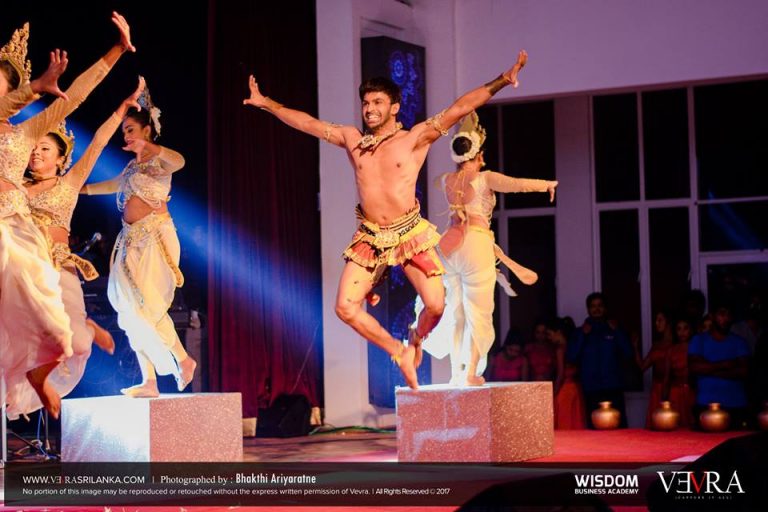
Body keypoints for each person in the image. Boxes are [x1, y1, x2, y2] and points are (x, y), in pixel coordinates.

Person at [244, 51, 530, 389]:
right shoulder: (353, 140)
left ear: (394, 107)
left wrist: (503, 80)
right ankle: (399, 351)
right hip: (370, 236)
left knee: (436, 306)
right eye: (366, 103)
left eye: (377, 102)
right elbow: (308, 124)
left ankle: (416, 338)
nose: (369, 109)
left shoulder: (414, 138)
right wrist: (266, 103)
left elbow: (460, 107)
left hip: (409, 233)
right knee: (345, 307)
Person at [0, 13, 134, 419]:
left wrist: (117, 51)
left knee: (52, 323)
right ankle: (35, 368)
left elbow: (75, 97)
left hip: (15, 229)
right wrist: (34, 88)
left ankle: (41, 368)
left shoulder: (25, 132)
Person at [23, 81, 147, 405]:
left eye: (45, 148)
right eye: (33, 147)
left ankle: (88, 328)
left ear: (61, 157)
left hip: (60, 268)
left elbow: (98, 143)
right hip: (26, 272)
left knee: (79, 345)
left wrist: (120, 111)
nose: (36, 152)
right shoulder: (15, 188)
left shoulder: (68, 183)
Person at [420, 112, 557, 385]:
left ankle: (455, 373)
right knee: (478, 311)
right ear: (478, 153)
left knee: (455, 311)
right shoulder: (484, 178)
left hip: (448, 247)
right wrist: (546, 185)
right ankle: (470, 371)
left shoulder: (445, 179)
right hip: (475, 243)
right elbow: (516, 185)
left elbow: (433, 181)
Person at [82, 79, 196, 398]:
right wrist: (78, 189)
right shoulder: (132, 166)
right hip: (130, 240)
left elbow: (180, 161)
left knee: (149, 307)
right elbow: (114, 185)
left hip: (154, 238)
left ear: (147, 130)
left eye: (131, 129)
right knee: (129, 312)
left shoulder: (160, 161)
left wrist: (150, 148)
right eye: (124, 132)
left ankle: (184, 360)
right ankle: (149, 381)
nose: (127, 136)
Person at [567, 292, 634, 428]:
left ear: (605, 308)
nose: (596, 309)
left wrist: (617, 331)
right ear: (588, 309)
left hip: (613, 386)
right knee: (594, 430)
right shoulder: (580, 332)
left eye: (600, 306)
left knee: (618, 428)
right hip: (591, 388)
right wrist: (582, 335)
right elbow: (571, 357)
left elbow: (628, 353)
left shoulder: (615, 329)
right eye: (593, 306)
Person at [688, 304, 750, 429]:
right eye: (722, 314)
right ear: (712, 316)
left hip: (736, 406)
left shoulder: (739, 342)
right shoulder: (698, 340)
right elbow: (694, 367)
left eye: (729, 315)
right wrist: (725, 364)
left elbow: (744, 371)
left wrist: (708, 368)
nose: (726, 318)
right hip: (705, 406)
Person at [548, 317, 586, 429]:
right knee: (575, 420)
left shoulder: (560, 349)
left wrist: (553, 394)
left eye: (550, 334)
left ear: (558, 332)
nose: (549, 337)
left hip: (564, 390)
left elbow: (560, 375)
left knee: (564, 422)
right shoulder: (572, 347)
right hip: (575, 389)